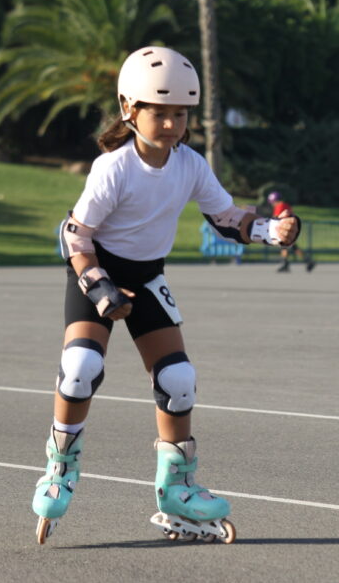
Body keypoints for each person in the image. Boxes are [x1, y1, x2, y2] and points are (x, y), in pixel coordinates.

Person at [33, 46, 300, 545]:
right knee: (81, 367)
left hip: (147, 275)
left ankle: (177, 486)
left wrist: (271, 231)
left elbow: (226, 218)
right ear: (130, 109)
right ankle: (59, 467)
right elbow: (74, 235)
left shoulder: (190, 165)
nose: (173, 124)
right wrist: (99, 285)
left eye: (181, 114)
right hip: (97, 271)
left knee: (178, 378)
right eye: (161, 112)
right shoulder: (112, 168)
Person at [267, 191, 314, 272]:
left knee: (290, 247)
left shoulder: (279, 206)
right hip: (290, 229)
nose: (272, 204)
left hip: (285, 230)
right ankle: (288, 263)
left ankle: (307, 261)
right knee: (288, 247)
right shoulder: (286, 205)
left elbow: (276, 219)